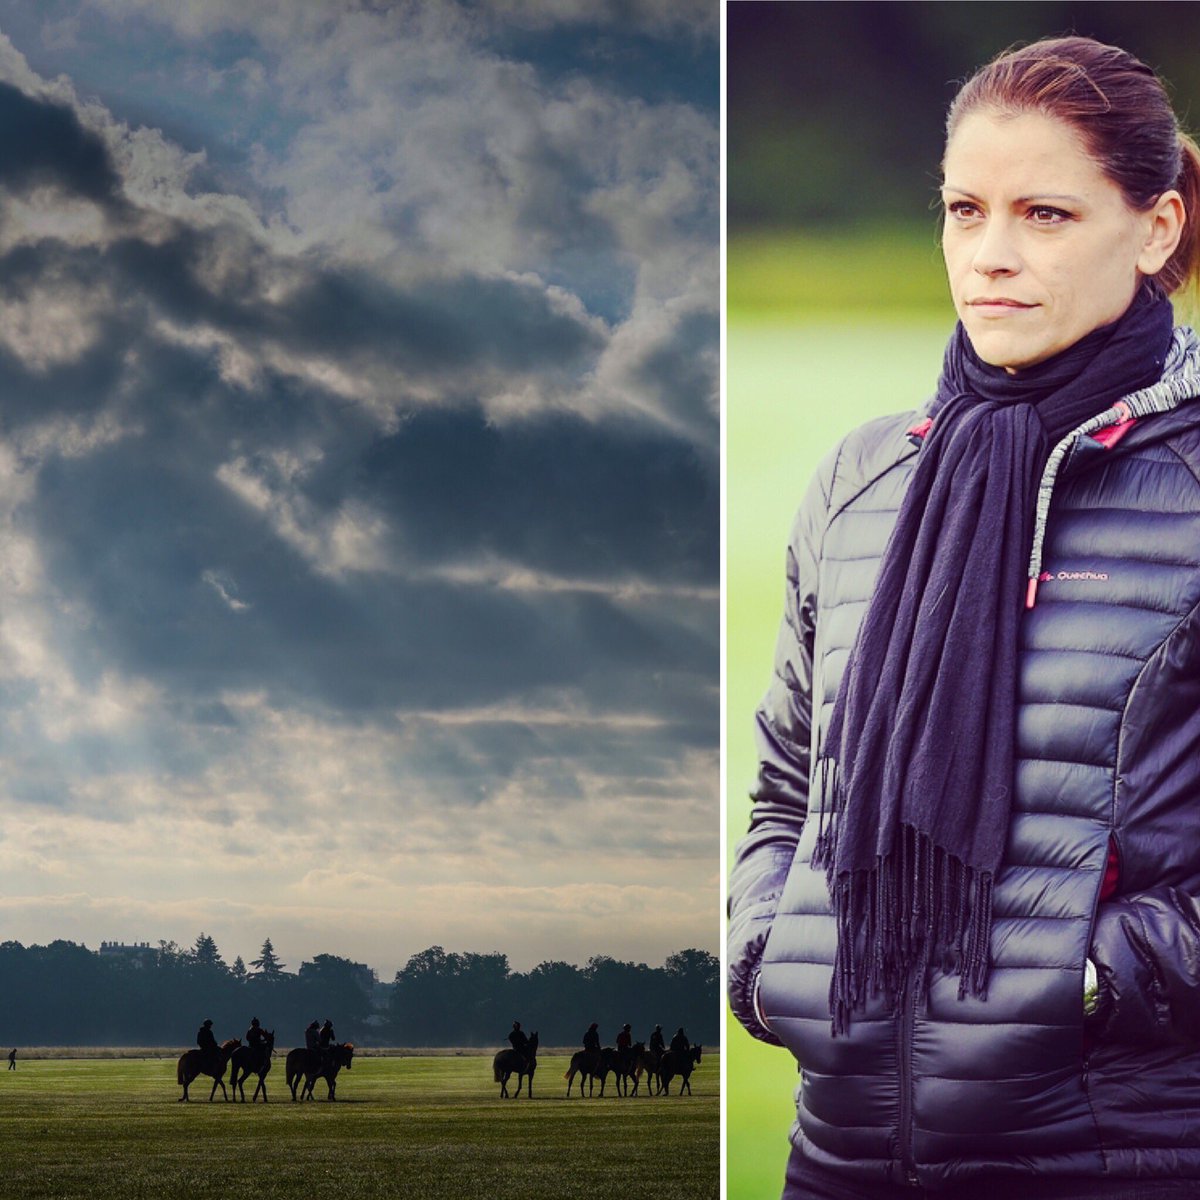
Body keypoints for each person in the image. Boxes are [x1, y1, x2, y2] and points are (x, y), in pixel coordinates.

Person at [728, 35, 1200, 1199]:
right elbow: (788, 787)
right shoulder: (860, 479)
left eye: (1044, 215)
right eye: (964, 209)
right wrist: (762, 961)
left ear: (1155, 228)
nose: (990, 256)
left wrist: (1082, 979)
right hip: (838, 1160)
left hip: (1109, 1154)